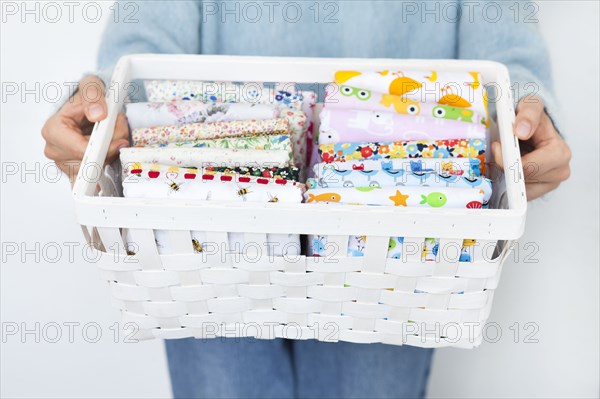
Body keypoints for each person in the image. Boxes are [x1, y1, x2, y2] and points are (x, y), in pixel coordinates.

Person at [41, 1, 571, 398]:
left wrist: (523, 119)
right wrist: (99, 112)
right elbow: (138, 51)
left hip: (395, 247)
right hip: (203, 238)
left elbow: (505, 50)